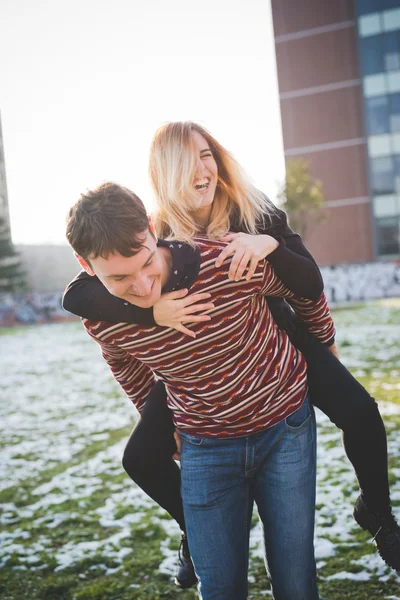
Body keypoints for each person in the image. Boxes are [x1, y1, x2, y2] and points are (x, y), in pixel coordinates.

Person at [63, 121, 400, 587]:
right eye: (189, 161)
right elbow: (82, 299)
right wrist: (151, 312)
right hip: (190, 373)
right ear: (164, 176)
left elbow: (307, 282)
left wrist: (270, 247)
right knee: (141, 455)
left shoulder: (250, 210)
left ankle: (379, 515)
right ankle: (193, 531)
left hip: (277, 340)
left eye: (208, 155)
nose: (203, 168)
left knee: (361, 411)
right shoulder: (150, 232)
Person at [65, 181, 337, 599]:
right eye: (119, 278)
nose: (141, 286)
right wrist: (148, 411)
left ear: (153, 229)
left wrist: (326, 347)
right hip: (204, 445)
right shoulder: (102, 319)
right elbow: (121, 361)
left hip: (285, 427)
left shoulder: (224, 260)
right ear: (85, 264)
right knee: (219, 587)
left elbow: (302, 291)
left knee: (295, 579)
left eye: (144, 263)